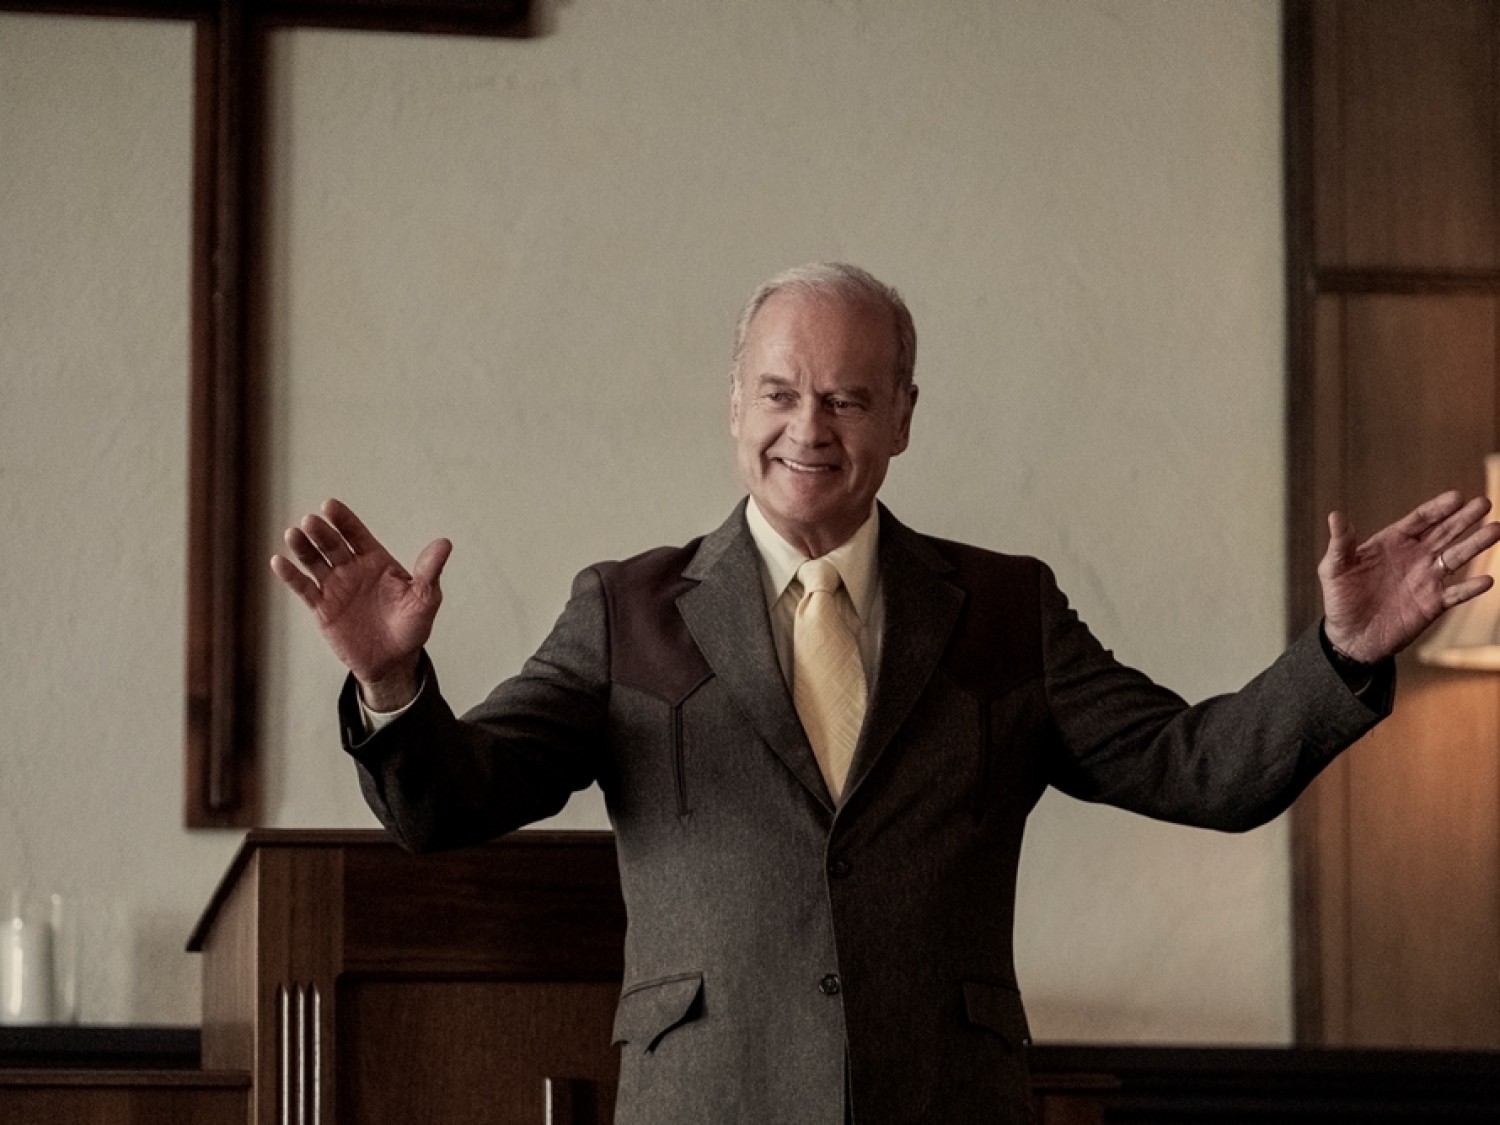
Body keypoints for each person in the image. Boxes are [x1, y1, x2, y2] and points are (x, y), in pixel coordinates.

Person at [271, 263, 1500, 1124]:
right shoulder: (624, 610)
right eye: (780, 393)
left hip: (947, 1101)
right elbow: (450, 803)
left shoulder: (1006, 608)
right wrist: (390, 679)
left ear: (902, 416)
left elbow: (1204, 770)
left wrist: (1338, 653)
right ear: (734, 406)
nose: (809, 427)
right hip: (711, 1104)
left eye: (849, 397)